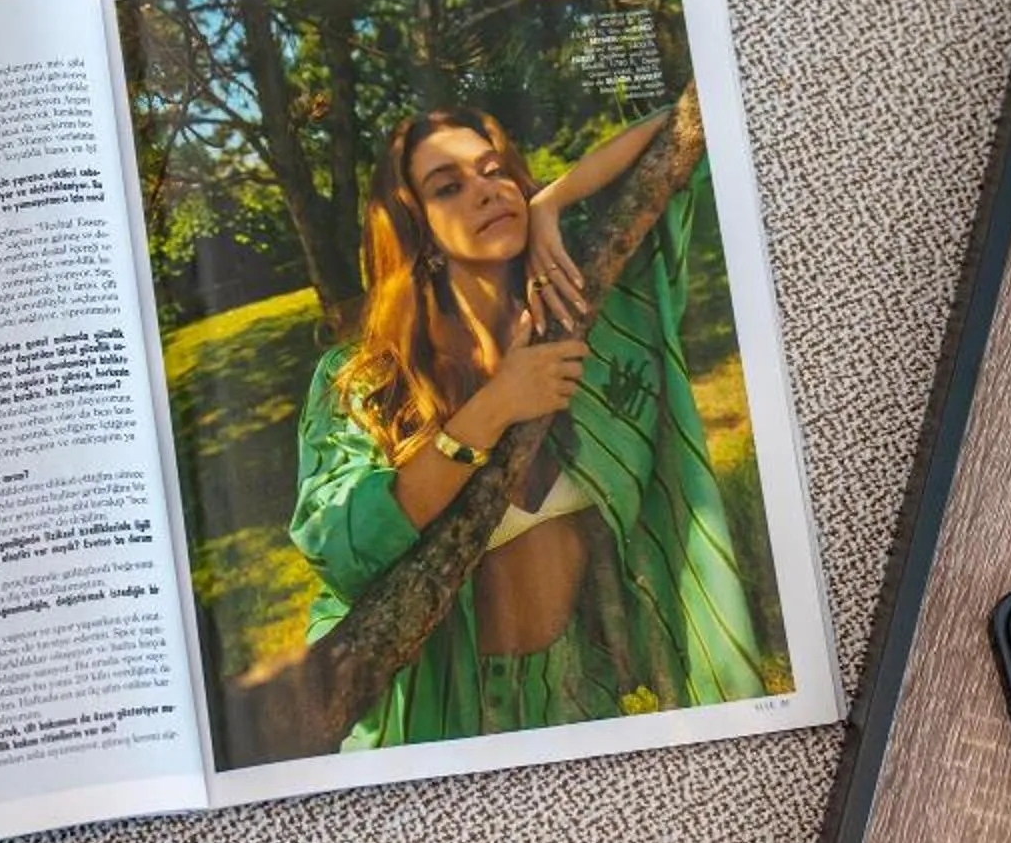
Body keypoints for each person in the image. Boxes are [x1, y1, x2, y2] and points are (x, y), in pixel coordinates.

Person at [288, 105, 771, 749]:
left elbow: (695, 119)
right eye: (448, 186)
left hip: (581, 697)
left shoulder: (600, 311)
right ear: (419, 231)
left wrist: (553, 199)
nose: (485, 189)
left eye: (495, 172)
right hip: (433, 718)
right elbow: (339, 548)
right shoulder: (366, 379)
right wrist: (494, 408)